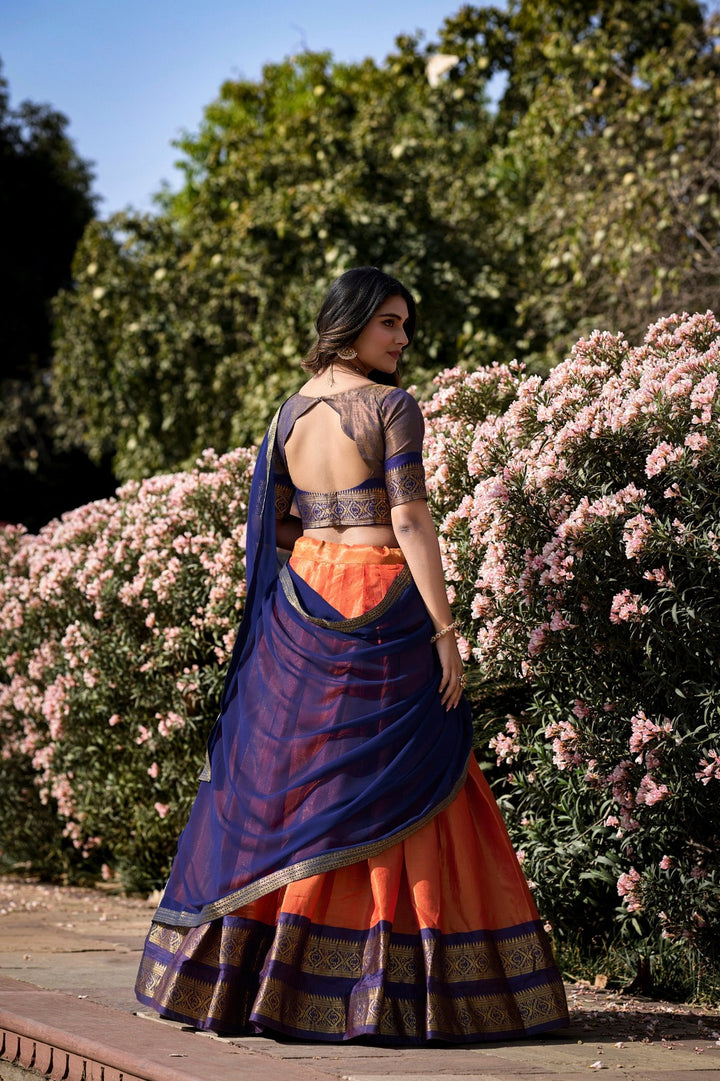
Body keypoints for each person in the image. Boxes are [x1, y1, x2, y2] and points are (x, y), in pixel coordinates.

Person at [135, 266, 569, 1044]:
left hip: (304, 606)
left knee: (298, 788)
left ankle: (262, 985)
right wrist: (444, 631)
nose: (403, 339)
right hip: (382, 602)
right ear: (353, 323)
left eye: (405, 325)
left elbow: (275, 534)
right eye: (390, 324)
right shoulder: (390, 407)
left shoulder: (287, 417)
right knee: (405, 785)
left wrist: (310, 581)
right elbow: (409, 519)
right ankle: (403, 988)